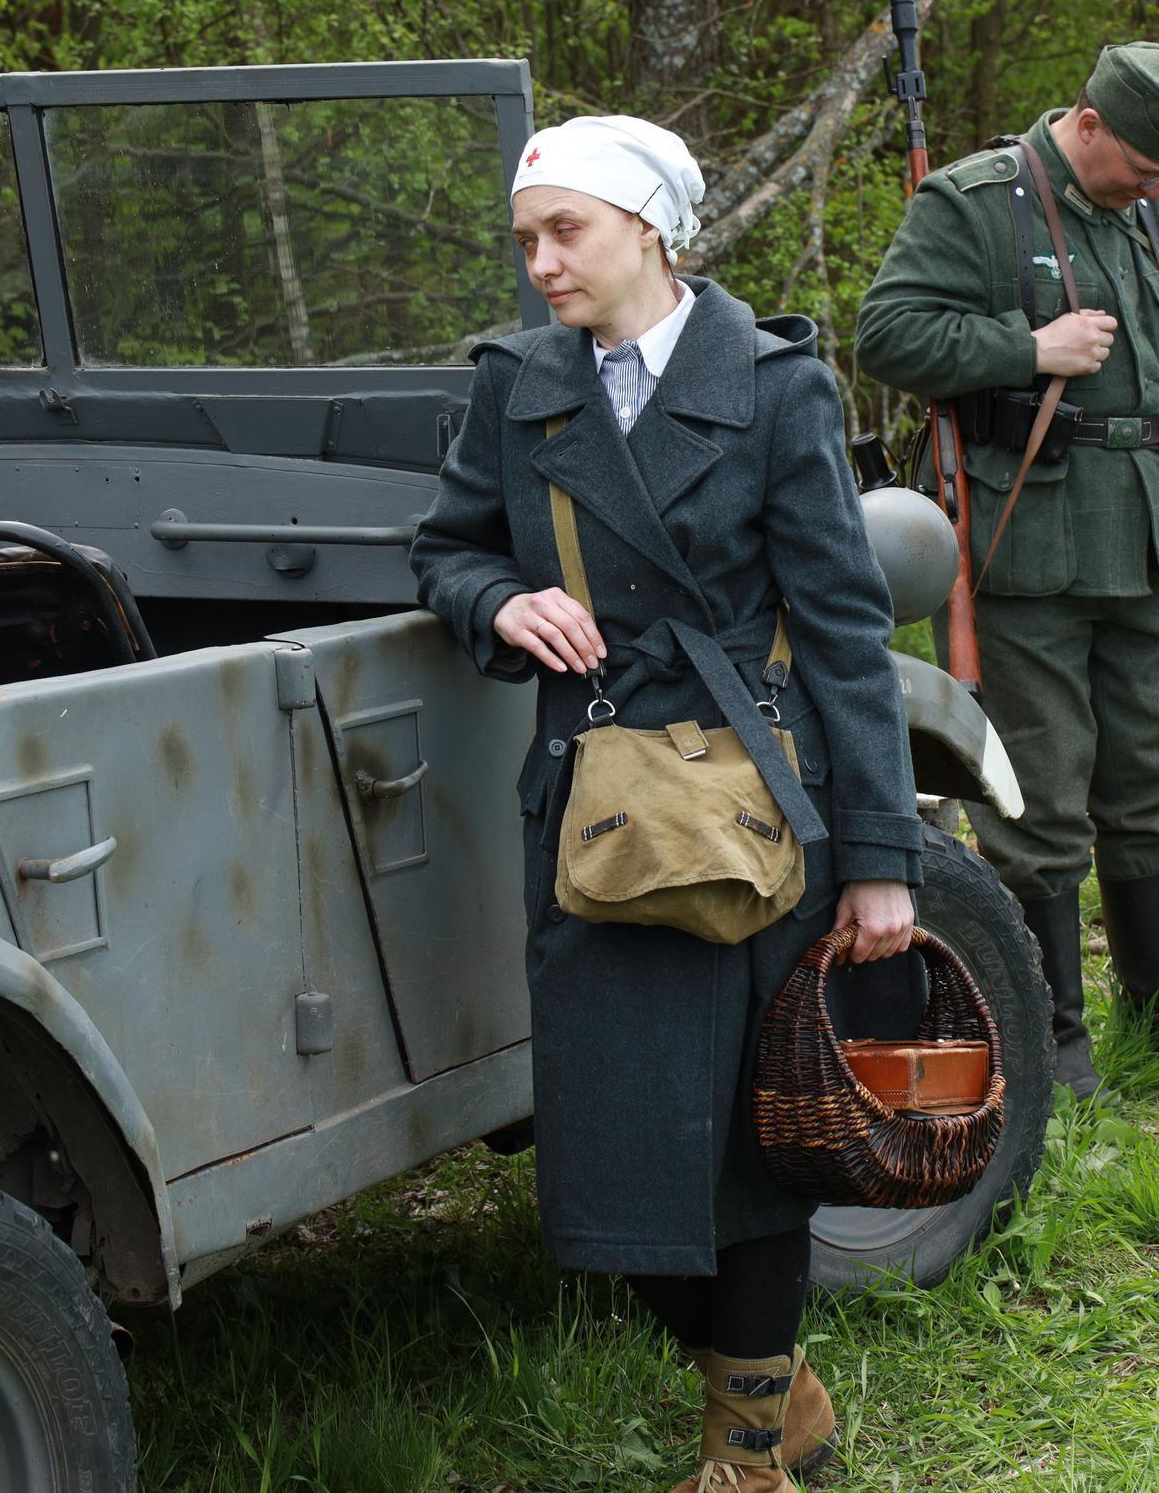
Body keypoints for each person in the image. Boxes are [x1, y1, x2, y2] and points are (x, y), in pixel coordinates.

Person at [413, 115, 923, 1491]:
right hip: (595, 812)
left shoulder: (773, 387)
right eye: (526, 238)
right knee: (612, 1172)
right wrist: (496, 596)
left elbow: (842, 625)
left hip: (751, 806)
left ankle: (747, 1454)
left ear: (651, 227)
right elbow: (446, 546)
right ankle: (787, 1398)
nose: (541, 263)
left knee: (755, 1147)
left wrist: (882, 855)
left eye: (565, 230)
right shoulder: (518, 385)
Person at [853, 43, 1159, 1102]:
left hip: (1136, 530)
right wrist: (1025, 349)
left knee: (1155, 773)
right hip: (1023, 541)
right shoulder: (974, 202)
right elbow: (887, 335)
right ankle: (1055, 1049)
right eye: (1141, 169)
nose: (1154, 191)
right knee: (1038, 795)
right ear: (1087, 123)